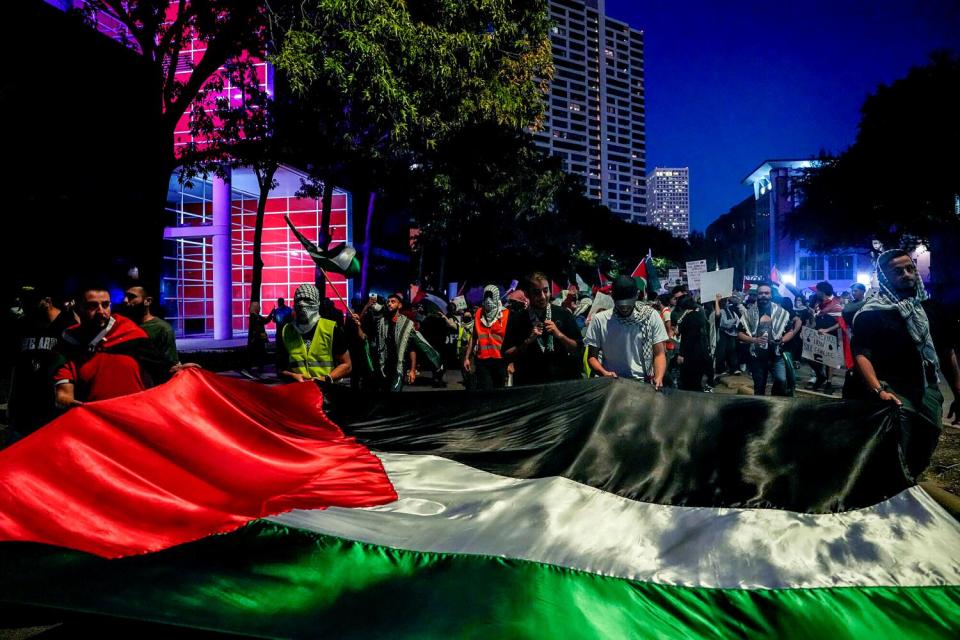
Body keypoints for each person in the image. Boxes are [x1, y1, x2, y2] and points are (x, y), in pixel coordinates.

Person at [848, 250, 945, 480]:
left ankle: (911, 481)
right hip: (893, 389)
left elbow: (947, 349)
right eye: (898, 271)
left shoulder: (929, 309)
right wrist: (878, 390)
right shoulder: (870, 314)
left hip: (927, 388)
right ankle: (893, 492)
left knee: (930, 434)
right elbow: (862, 355)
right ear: (884, 277)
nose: (906, 274)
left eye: (910, 269)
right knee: (898, 442)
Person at [53, 285, 167, 407]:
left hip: (136, 412)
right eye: (93, 306)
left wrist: (180, 371)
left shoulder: (129, 332)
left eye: (105, 305)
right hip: (95, 417)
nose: (101, 311)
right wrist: (66, 400)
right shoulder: (69, 341)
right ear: (79, 308)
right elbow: (64, 390)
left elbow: (161, 367)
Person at [5, 292, 76, 442]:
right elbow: (15, 367)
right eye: (23, 300)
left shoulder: (68, 325)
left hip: (53, 411)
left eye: (31, 301)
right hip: (22, 412)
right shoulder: (23, 325)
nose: (25, 305)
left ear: (47, 301)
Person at [584, 275, 668, 387]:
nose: (624, 308)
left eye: (628, 304)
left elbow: (659, 354)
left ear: (637, 296)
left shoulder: (650, 316)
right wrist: (604, 373)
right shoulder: (600, 320)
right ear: (612, 297)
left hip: (643, 383)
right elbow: (592, 357)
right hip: (612, 383)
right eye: (620, 304)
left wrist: (658, 377)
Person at [503, 272, 583, 386]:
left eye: (545, 291)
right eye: (536, 292)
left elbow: (578, 349)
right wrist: (527, 342)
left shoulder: (563, 314)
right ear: (527, 294)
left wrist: (560, 335)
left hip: (560, 384)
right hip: (529, 385)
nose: (543, 296)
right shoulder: (517, 319)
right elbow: (506, 354)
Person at [362, 292, 442, 391]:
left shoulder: (407, 325)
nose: (389, 304)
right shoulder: (382, 322)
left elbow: (418, 345)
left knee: (395, 391)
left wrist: (412, 369)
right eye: (388, 302)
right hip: (383, 366)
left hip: (398, 367)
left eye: (393, 302)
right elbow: (368, 322)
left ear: (399, 305)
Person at [280, 284, 351, 384]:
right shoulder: (287, 331)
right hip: (298, 392)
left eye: (307, 299)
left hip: (325, 393)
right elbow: (280, 368)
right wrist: (292, 375)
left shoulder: (330, 329)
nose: (302, 304)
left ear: (317, 303)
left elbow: (347, 365)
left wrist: (326, 378)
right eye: (298, 300)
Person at [738, 283, 798, 396]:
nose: (763, 295)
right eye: (761, 293)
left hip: (776, 355)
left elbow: (790, 331)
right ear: (757, 295)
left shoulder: (781, 312)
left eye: (766, 293)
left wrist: (782, 340)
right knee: (759, 387)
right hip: (757, 357)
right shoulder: (749, 313)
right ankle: (760, 411)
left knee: (781, 380)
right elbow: (739, 333)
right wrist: (754, 340)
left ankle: (774, 401)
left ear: (771, 295)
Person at [120, 284, 183, 379]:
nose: (125, 300)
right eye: (125, 296)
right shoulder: (122, 326)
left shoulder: (162, 329)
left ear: (148, 301)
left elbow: (170, 365)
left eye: (131, 297)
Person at [463, 285, 510, 390]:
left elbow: (511, 340)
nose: (488, 300)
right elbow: (474, 337)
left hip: (500, 360)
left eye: (491, 296)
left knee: (499, 391)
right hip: (482, 360)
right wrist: (467, 358)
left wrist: (511, 362)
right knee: (485, 391)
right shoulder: (479, 313)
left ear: (496, 297)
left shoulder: (506, 314)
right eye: (486, 296)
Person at [810, 281, 843, 392]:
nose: (816, 292)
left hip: (831, 336)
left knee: (829, 361)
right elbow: (816, 320)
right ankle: (820, 376)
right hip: (817, 335)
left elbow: (841, 323)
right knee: (812, 357)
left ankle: (829, 383)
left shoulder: (835, 304)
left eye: (818, 290)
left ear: (822, 291)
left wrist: (827, 330)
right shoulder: (819, 304)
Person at [675, 295, 711, 391]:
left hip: (691, 354)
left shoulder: (690, 318)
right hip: (699, 352)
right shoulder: (698, 315)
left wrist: (682, 354)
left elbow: (689, 338)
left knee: (690, 381)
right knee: (695, 380)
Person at [713, 293, 741, 377]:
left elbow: (737, 320)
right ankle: (720, 369)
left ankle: (734, 368)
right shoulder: (719, 310)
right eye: (726, 301)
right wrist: (717, 301)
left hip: (732, 333)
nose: (727, 302)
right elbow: (720, 317)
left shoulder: (731, 310)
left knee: (732, 351)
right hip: (722, 333)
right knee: (721, 351)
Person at [247, 301, 273, 378]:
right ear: (255, 308)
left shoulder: (256, 317)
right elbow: (265, 321)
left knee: (260, 354)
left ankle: (258, 368)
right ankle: (253, 369)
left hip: (258, 339)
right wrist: (271, 314)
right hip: (257, 340)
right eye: (258, 307)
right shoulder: (254, 317)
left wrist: (271, 314)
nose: (260, 308)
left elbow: (265, 321)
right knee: (258, 354)